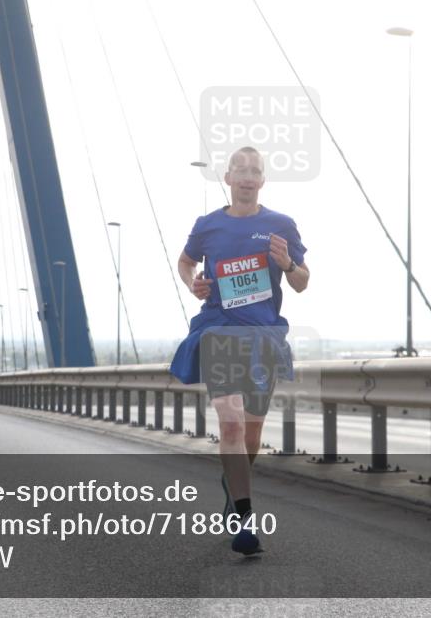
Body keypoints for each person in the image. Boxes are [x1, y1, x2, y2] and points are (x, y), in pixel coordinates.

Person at [169, 146, 309, 556]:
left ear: (262, 181)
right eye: (240, 171)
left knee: (250, 433)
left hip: (263, 338)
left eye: (255, 171)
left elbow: (302, 282)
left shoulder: (281, 225)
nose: (247, 177)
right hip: (219, 333)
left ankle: (233, 488)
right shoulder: (208, 225)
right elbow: (185, 261)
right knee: (229, 423)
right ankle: (245, 520)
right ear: (227, 178)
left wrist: (286, 264)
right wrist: (192, 281)